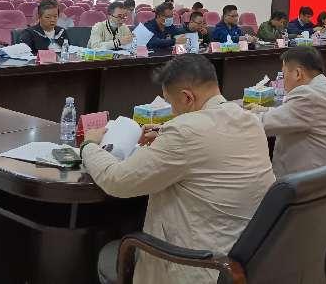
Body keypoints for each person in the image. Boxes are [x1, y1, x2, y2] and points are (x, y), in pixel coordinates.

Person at [80, 54, 275, 284]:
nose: (173, 112)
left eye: (171, 103)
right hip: (246, 260)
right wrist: (166, 136)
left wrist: (89, 145)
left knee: (107, 253)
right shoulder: (249, 120)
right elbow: (210, 145)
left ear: (187, 97)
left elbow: (117, 180)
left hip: (198, 265)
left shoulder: (184, 132)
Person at [246, 47, 326, 177]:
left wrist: (235, 112)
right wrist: (266, 110)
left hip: (313, 184)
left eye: (284, 74)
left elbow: (261, 124)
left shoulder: (308, 95)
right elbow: (298, 114)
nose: (283, 81)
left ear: (297, 73)